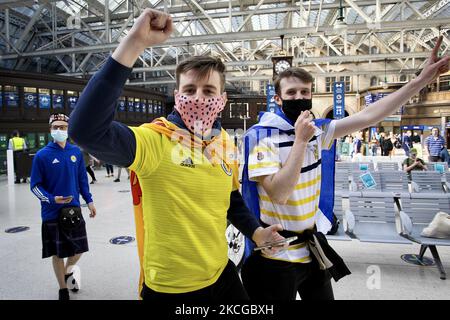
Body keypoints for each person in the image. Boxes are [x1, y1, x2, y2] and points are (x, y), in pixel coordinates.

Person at [68, 8, 285, 302]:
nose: (198, 98)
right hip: (171, 289)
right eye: (190, 89)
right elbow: (85, 131)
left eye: (209, 90)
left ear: (222, 101)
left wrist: (256, 233)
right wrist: (134, 43)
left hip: (222, 273)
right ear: (177, 95)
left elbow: (230, 199)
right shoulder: (155, 141)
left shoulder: (224, 143)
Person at [240, 36, 449, 301]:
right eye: (291, 93)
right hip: (277, 255)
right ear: (278, 100)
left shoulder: (320, 132)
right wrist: (301, 141)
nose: (299, 98)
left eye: (305, 92)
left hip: (311, 247)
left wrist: (420, 81)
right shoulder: (263, 137)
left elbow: (370, 115)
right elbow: (279, 193)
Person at [30, 113, 97, 300]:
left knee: (80, 249)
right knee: (58, 253)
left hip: (74, 210)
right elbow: (34, 186)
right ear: (50, 129)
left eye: (63, 127)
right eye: (56, 127)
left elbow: (82, 180)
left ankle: (68, 272)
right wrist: (52, 199)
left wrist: (89, 201)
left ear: (69, 129)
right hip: (52, 213)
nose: (59, 130)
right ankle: (62, 288)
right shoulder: (42, 156)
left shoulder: (75, 152)